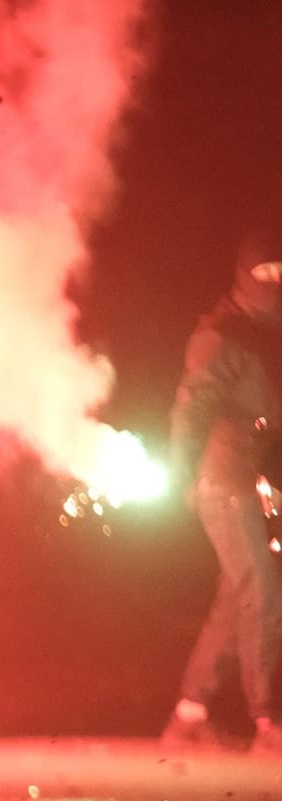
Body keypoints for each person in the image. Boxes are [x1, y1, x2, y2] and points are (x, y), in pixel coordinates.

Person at [163, 226, 282, 756]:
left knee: (238, 595)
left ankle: (188, 717)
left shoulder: (265, 331)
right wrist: (182, 475)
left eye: (281, 272)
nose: (274, 281)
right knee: (264, 588)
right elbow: (192, 408)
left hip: (246, 481)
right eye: (265, 273)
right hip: (220, 480)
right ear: (243, 273)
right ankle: (268, 723)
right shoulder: (223, 333)